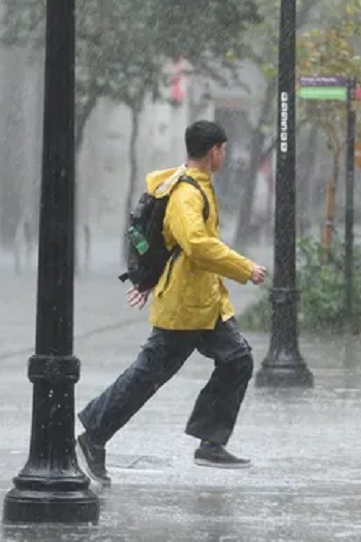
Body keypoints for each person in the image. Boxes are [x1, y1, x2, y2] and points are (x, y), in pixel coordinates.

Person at [76, 121, 268, 486]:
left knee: (237, 358)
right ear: (214, 151)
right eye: (223, 150)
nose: (225, 156)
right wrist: (244, 268)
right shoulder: (186, 193)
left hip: (205, 303)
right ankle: (94, 435)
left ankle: (210, 443)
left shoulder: (196, 185)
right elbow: (195, 244)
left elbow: (177, 246)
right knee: (147, 375)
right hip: (185, 307)